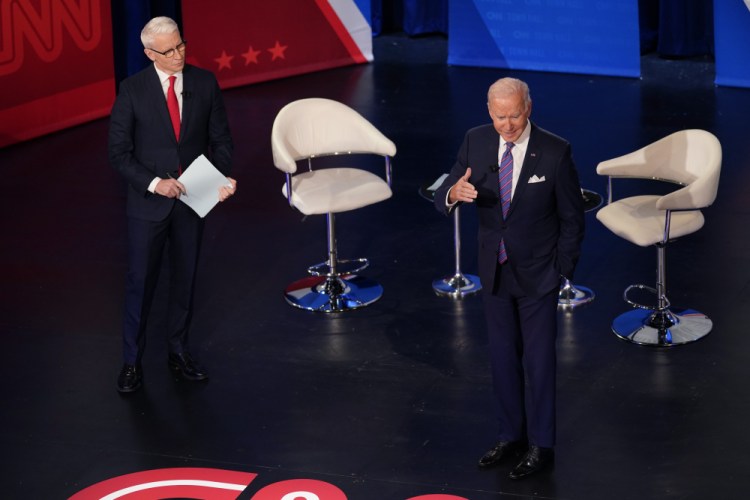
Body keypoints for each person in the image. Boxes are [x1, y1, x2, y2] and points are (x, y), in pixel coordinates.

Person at [434, 77, 584, 479]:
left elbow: (572, 218)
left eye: (515, 114)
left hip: (539, 274)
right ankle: (509, 436)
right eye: (500, 116)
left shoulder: (555, 151)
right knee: (502, 360)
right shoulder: (475, 140)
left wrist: (561, 270)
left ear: (528, 108)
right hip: (494, 271)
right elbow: (446, 185)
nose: (508, 124)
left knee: (538, 364)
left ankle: (541, 446)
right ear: (489, 112)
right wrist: (453, 193)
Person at [108, 16, 236, 393]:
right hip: (149, 204)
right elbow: (118, 153)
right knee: (141, 283)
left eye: (181, 45)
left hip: (192, 201)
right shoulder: (132, 90)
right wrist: (154, 183)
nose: (178, 54)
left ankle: (177, 352)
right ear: (150, 54)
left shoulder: (204, 82)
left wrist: (220, 179)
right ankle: (132, 362)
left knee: (185, 281)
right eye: (168, 50)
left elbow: (222, 142)